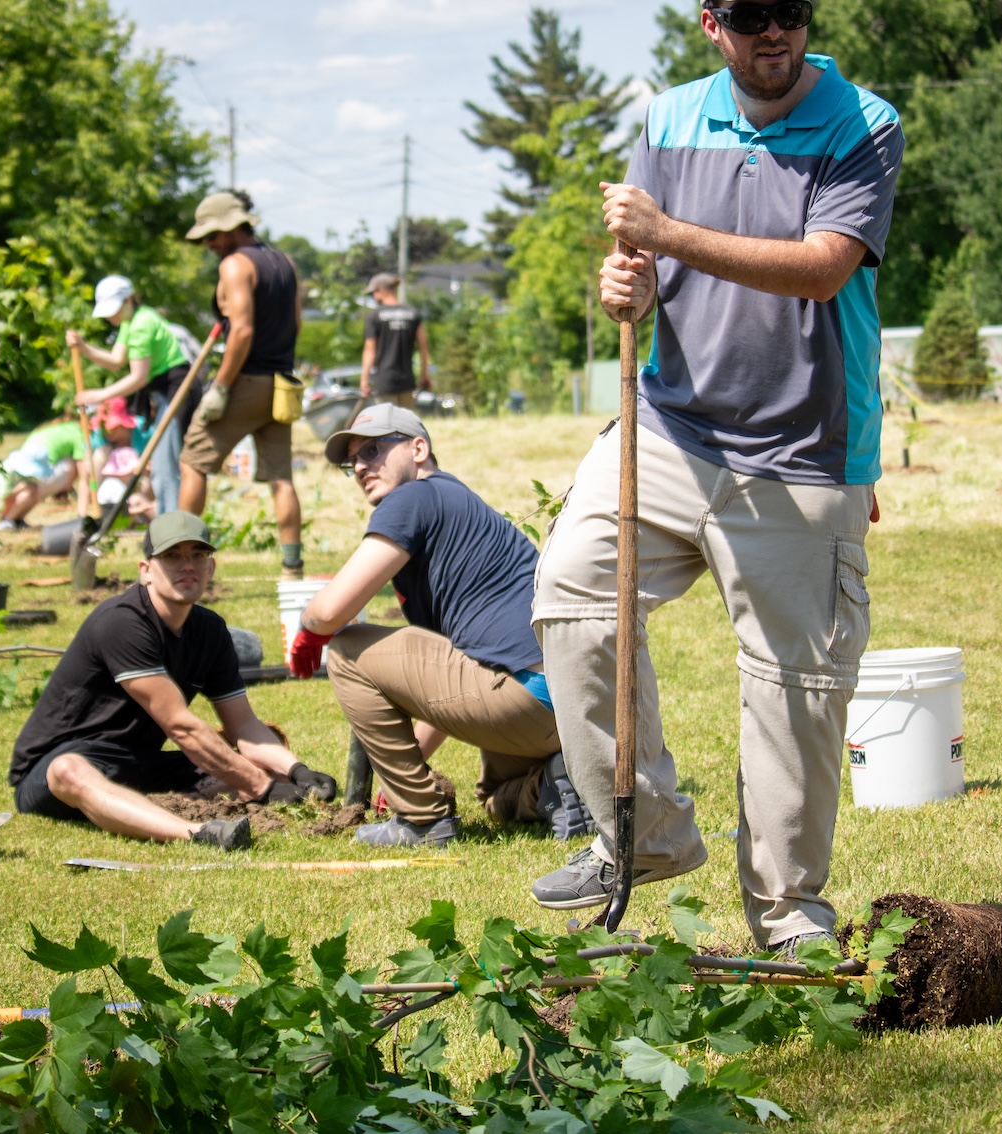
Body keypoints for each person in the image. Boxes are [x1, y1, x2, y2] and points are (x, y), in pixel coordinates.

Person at [529, 0, 904, 958]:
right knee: (572, 591)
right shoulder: (669, 118)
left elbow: (823, 270)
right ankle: (643, 836)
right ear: (710, 23)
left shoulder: (864, 123)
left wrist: (669, 234)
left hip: (806, 449)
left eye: (791, 11)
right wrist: (632, 282)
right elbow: (646, 262)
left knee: (794, 690)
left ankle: (789, 918)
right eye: (748, 15)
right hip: (672, 426)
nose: (771, 32)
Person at [287, 404, 591, 848]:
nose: (359, 466)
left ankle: (423, 823)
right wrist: (401, 778)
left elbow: (330, 611)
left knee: (348, 648)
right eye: (351, 460)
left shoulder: (413, 497)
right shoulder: (458, 502)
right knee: (494, 801)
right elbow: (450, 680)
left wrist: (310, 632)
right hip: (576, 707)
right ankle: (554, 785)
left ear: (418, 448)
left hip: (526, 696)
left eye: (373, 449)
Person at [8, 511, 336, 847]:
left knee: (267, 747)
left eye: (198, 555)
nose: (187, 565)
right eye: (172, 556)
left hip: (136, 764)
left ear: (211, 568)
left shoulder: (210, 630)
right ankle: (199, 833)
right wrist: (263, 787)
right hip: (54, 772)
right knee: (69, 770)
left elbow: (244, 726)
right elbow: (180, 727)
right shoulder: (122, 623)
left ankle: (164, 805)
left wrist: (298, 772)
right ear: (146, 570)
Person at [180, 190, 306, 580]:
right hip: (282, 385)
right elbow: (297, 323)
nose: (209, 245)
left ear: (234, 227)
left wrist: (220, 386)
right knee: (281, 478)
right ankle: (292, 567)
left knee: (192, 462)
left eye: (213, 235)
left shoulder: (236, 265)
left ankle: (179, 560)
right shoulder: (285, 263)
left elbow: (242, 330)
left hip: (245, 381)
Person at [69, 275, 193, 515]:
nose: (110, 316)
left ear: (128, 300)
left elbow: (139, 377)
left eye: (113, 309)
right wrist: (84, 348)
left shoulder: (141, 324)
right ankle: (167, 522)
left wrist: (100, 395)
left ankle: (171, 527)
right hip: (162, 392)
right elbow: (116, 362)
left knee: (165, 466)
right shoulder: (131, 321)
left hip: (177, 390)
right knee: (162, 464)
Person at [0, 418, 90, 530]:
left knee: (32, 489)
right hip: (37, 460)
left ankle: (15, 520)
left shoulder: (58, 428)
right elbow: (83, 469)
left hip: (32, 457)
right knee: (28, 491)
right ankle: (6, 521)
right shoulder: (78, 433)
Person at [359, 273, 431, 409]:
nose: (373, 297)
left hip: (384, 382)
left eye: (373, 293)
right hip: (407, 381)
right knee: (405, 426)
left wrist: (364, 380)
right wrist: (425, 375)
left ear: (381, 290)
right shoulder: (413, 314)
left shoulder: (375, 316)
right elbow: (424, 348)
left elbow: (370, 350)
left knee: (386, 426)